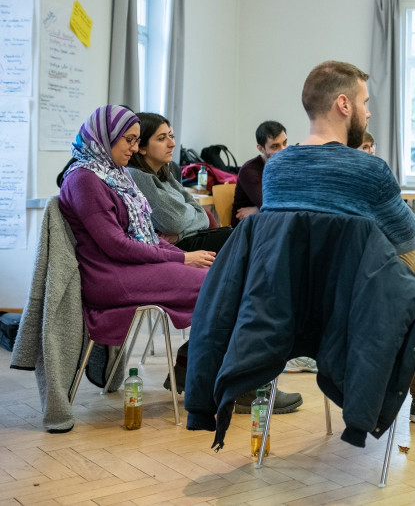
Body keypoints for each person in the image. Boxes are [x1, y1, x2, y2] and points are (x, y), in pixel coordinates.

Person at [262, 61, 415, 422]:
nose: (369, 110)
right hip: (356, 308)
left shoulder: (275, 168)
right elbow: (406, 240)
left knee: (409, 274)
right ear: (343, 105)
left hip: (290, 308)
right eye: (364, 101)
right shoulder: (368, 170)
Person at [58, 106, 213, 395]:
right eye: (128, 140)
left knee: (221, 277)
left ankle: (199, 369)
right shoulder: (84, 179)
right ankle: (208, 375)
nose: (134, 147)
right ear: (106, 137)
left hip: (131, 268)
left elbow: (146, 235)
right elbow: (116, 245)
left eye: (135, 140)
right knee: (220, 284)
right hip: (110, 276)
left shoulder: (114, 175)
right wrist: (180, 256)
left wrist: (179, 255)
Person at [127, 112, 233, 253]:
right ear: (142, 147)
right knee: (246, 236)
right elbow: (175, 222)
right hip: (179, 249)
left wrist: (181, 228)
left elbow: (201, 214)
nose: (172, 144)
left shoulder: (165, 173)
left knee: (248, 233)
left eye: (171, 136)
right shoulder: (137, 176)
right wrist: (188, 213)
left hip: (188, 239)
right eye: (162, 138)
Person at [230, 120, 287, 226]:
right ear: (261, 148)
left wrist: (257, 210)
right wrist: (262, 208)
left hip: (269, 221)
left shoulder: (284, 165)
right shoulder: (249, 170)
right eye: (275, 146)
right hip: (245, 230)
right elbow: (269, 205)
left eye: (284, 143)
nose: (283, 150)